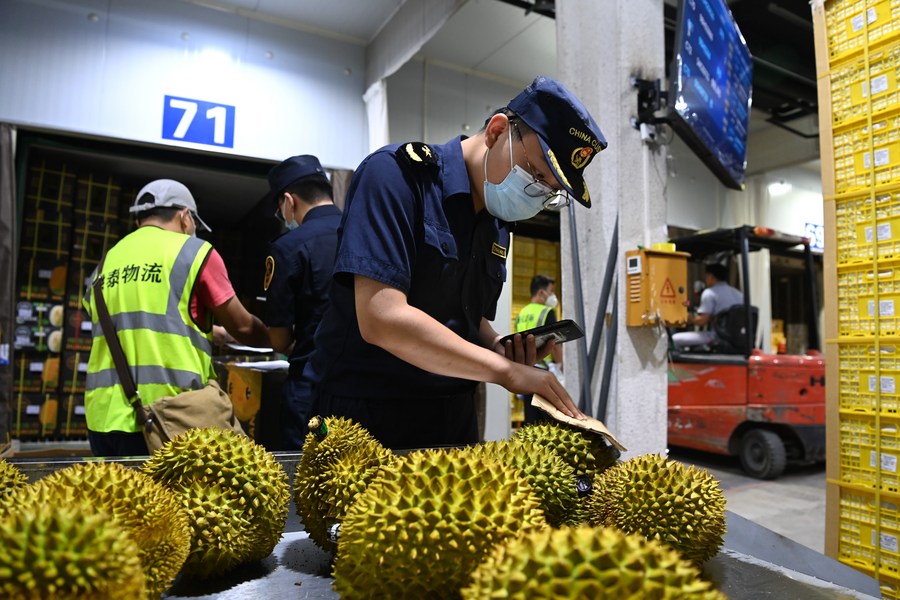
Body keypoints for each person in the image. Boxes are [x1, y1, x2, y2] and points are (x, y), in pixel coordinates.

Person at [304, 76, 607, 450]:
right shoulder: (396, 176)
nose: (538, 194)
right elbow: (381, 318)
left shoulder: (497, 223)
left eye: (550, 192)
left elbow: (465, 315)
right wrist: (505, 372)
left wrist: (497, 345)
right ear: (497, 132)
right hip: (367, 417)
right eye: (537, 174)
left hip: (453, 414)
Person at [83, 179, 271, 457]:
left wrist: (211, 331)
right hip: (167, 417)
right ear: (185, 216)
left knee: (119, 500)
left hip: (102, 420)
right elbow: (242, 326)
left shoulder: (105, 263)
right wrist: (278, 337)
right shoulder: (194, 253)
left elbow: (131, 325)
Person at [262, 155, 341, 449]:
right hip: (365, 387)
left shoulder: (288, 247)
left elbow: (280, 338)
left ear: (288, 200)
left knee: (306, 480)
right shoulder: (364, 233)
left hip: (311, 388)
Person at [514, 274, 562, 425]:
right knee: (548, 421)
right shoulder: (547, 312)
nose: (552, 295)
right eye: (551, 291)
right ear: (541, 292)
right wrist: (561, 365)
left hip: (525, 371)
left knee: (531, 420)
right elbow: (554, 343)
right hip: (544, 371)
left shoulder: (521, 314)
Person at [672, 263, 743, 350]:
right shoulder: (739, 294)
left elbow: (702, 321)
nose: (706, 279)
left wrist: (687, 317)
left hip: (717, 337)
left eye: (706, 276)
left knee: (674, 339)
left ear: (711, 276)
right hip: (736, 339)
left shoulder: (709, 293)